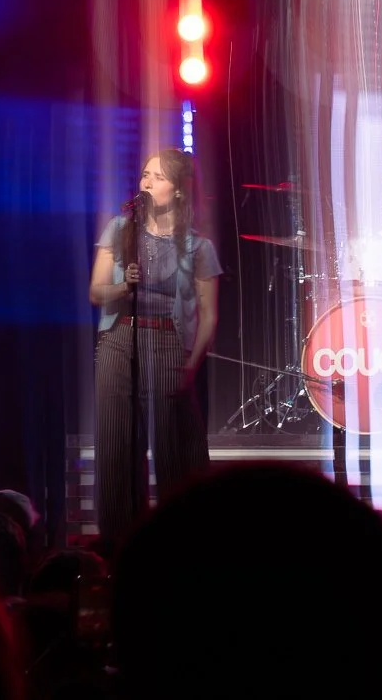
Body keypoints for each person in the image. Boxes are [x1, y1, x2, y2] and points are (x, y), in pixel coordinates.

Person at [88, 149, 221, 547]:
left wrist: (191, 365)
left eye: (158, 177)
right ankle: (118, 545)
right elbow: (96, 293)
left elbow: (209, 315)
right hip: (119, 338)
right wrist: (122, 286)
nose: (146, 182)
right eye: (145, 174)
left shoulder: (198, 247)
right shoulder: (119, 229)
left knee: (173, 446)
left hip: (167, 341)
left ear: (179, 191)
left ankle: (179, 543)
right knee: (115, 445)